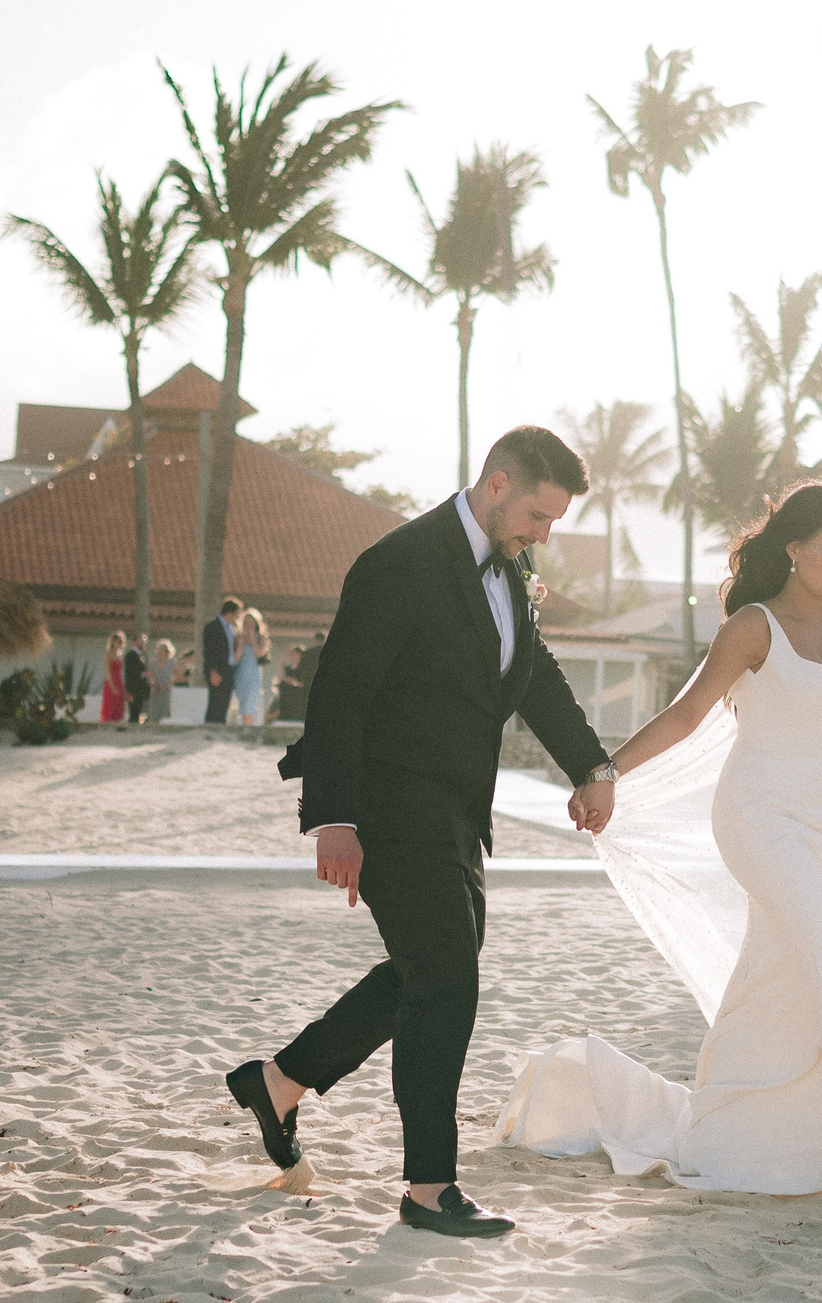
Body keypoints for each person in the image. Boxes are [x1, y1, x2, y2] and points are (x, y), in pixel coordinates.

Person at [494, 480, 822, 1201]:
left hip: (812, 828)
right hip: (753, 819)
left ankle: (728, 1129)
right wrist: (604, 771)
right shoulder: (753, 626)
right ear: (793, 550)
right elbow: (687, 716)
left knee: (773, 990)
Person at [226, 426, 614, 1240]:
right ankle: (430, 1186)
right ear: (498, 483)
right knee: (447, 977)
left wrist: (592, 767)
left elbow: (535, 675)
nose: (545, 535)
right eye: (540, 516)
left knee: (430, 971)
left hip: (459, 812)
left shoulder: (513, 565)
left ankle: (282, 1082)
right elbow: (340, 697)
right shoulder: (398, 562)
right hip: (388, 807)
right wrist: (333, 818)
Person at [201, 597, 242, 723]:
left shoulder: (232, 628)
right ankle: (210, 728)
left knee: (224, 703)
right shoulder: (212, 627)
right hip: (217, 670)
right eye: (237, 614)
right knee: (215, 702)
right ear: (230, 613)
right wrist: (213, 671)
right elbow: (209, 652)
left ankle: (220, 727)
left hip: (228, 669)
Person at [234, 607, 273, 726]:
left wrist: (252, 640)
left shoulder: (262, 637)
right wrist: (240, 645)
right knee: (242, 701)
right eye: (246, 622)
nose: (249, 625)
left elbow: (259, 654)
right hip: (240, 672)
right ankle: (244, 726)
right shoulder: (238, 636)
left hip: (254, 672)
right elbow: (236, 658)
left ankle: (249, 727)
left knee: (250, 702)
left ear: (256, 623)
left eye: (251, 622)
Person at [100, 631, 129, 725]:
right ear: (113, 642)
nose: (120, 643)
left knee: (119, 706)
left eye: (121, 641)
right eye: (118, 641)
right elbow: (108, 673)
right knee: (110, 705)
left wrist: (123, 687)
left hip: (119, 681)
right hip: (111, 682)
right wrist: (113, 687)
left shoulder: (120, 656)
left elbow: (121, 672)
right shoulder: (108, 655)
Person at [149, 639, 177, 719]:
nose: (159, 652)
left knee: (166, 713)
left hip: (167, 691)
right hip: (155, 691)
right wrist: (154, 685)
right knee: (154, 713)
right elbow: (151, 677)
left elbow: (175, 677)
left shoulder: (172, 663)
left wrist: (165, 686)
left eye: (161, 650)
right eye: (158, 649)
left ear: (166, 651)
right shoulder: (153, 664)